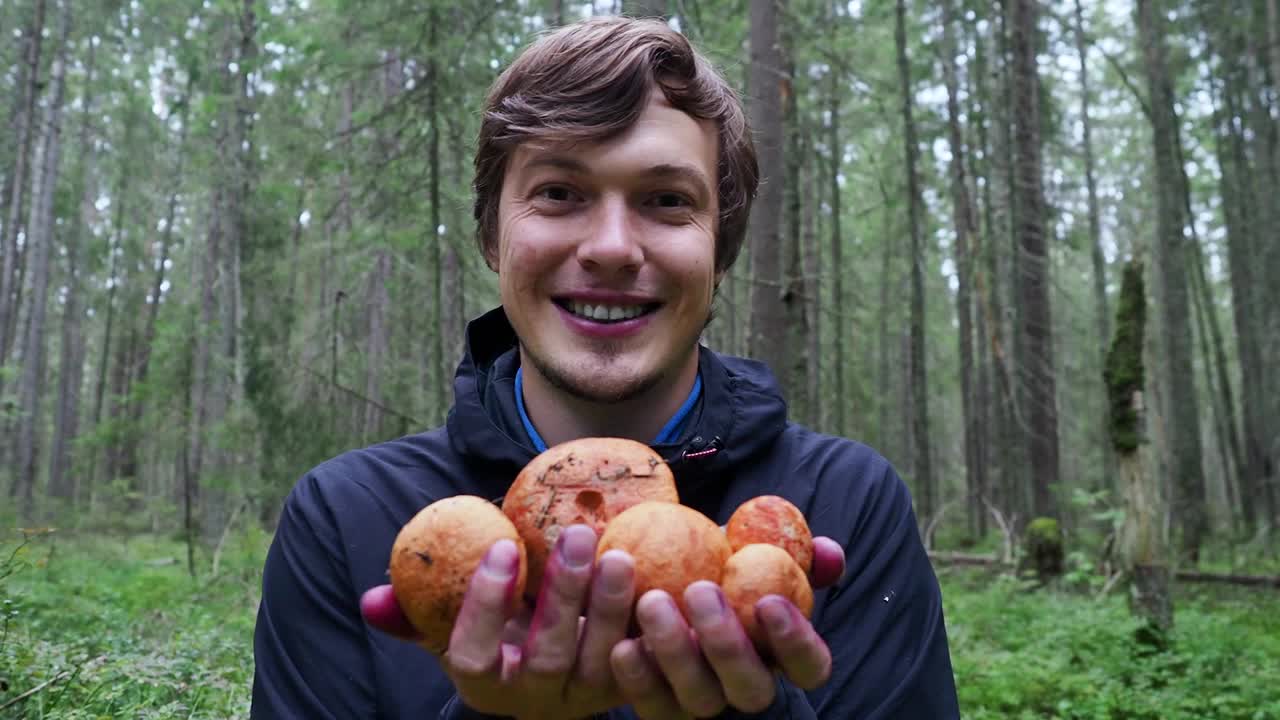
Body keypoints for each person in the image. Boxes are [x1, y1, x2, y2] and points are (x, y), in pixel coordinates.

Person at [251, 15, 959, 720]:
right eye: (559, 192)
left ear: (720, 249)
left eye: (666, 201)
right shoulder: (350, 518)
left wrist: (754, 710)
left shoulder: (844, 505)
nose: (613, 247)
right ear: (493, 236)